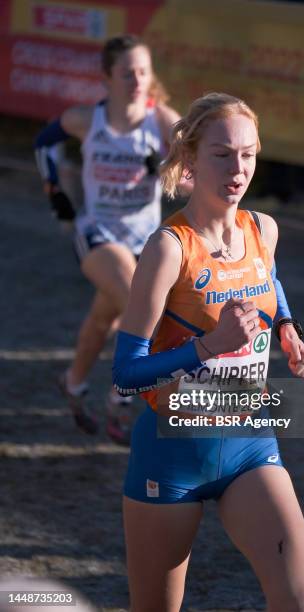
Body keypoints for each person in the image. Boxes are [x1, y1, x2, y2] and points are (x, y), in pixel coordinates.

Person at [113, 92, 304, 611]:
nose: (238, 168)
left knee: (295, 598)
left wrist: (287, 325)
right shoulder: (169, 249)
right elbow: (124, 375)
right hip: (172, 453)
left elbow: (268, 278)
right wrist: (207, 347)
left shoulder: (262, 229)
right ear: (191, 159)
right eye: (223, 154)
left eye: (248, 154)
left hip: (250, 444)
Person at [34, 35, 180, 444]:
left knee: (106, 318)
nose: (137, 80)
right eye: (127, 73)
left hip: (145, 240)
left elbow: (190, 180)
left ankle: (74, 382)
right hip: (98, 231)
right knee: (140, 303)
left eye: (143, 72)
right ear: (106, 78)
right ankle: (121, 398)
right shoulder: (87, 119)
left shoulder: (164, 120)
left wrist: (166, 168)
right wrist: (54, 192)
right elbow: (44, 142)